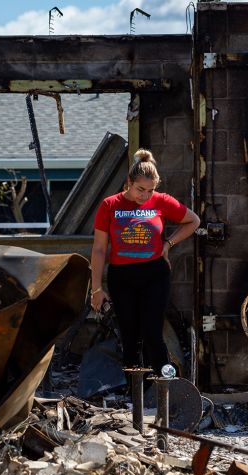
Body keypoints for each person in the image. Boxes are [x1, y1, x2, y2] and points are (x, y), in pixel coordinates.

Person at [90, 148, 200, 374]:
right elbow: (99, 249)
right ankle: (134, 398)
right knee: (130, 336)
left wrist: (168, 243)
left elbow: (194, 221)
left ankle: (163, 391)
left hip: (154, 275)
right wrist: (96, 288)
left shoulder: (161, 201)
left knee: (152, 333)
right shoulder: (110, 205)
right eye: (140, 189)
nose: (145, 196)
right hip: (122, 277)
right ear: (129, 182)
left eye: (150, 191)